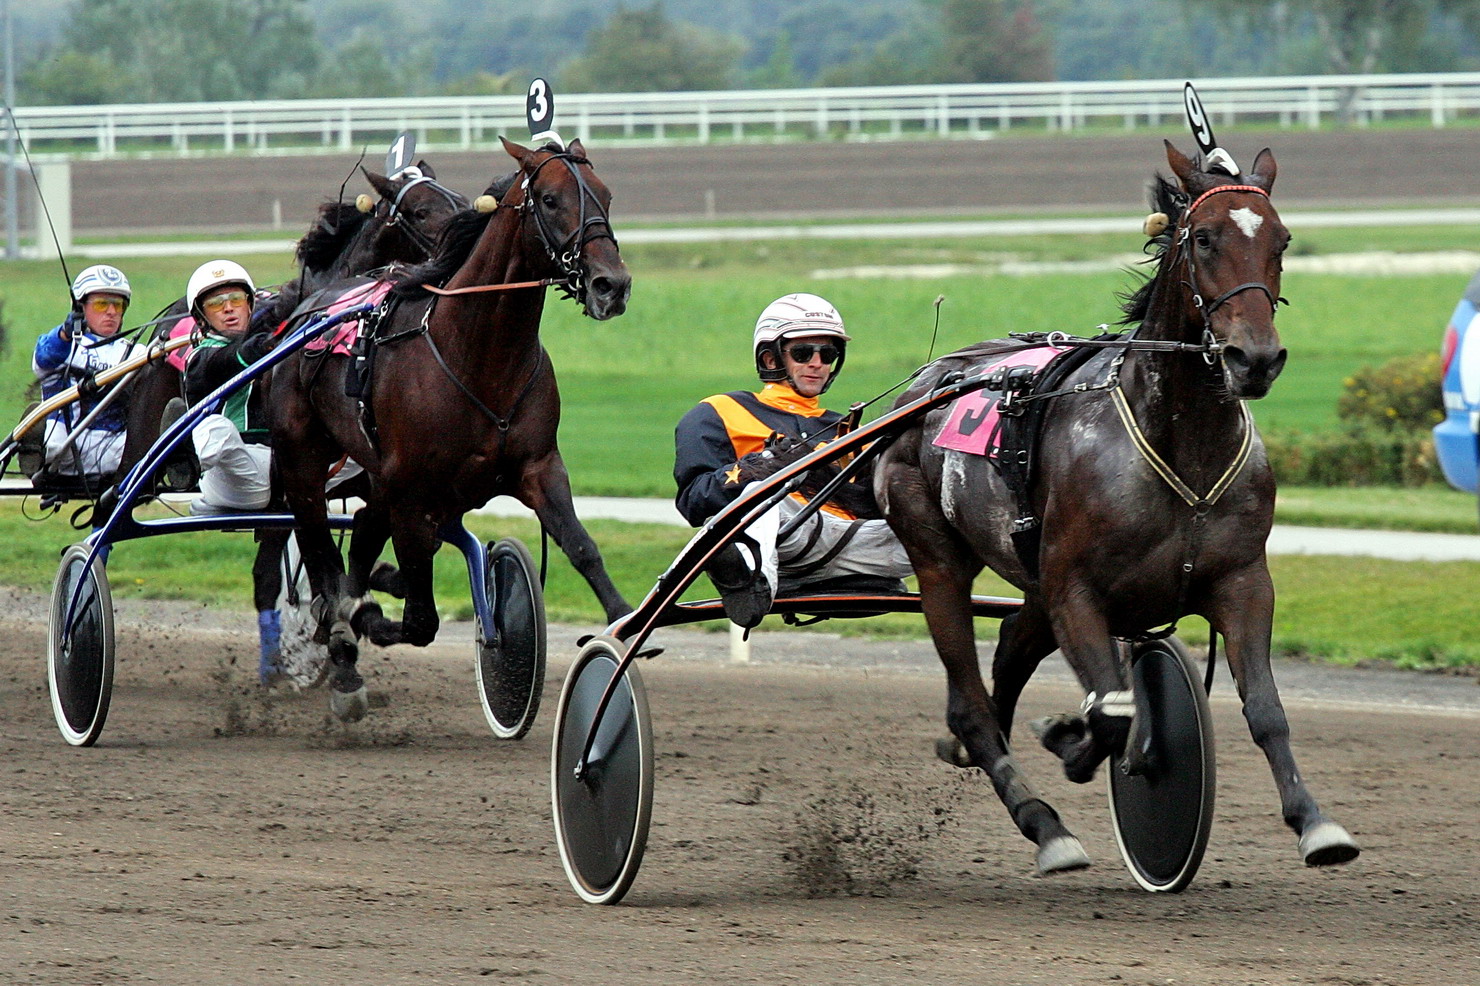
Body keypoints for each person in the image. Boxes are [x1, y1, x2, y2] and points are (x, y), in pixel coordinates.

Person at [673, 292, 914, 628]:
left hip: (863, 549)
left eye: (827, 353)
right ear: (771, 359)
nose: (817, 363)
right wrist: (757, 468)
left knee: (936, 511)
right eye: (803, 353)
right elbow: (693, 502)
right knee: (764, 492)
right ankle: (750, 580)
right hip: (784, 541)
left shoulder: (849, 430)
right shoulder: (719, 412)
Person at [22, 264, 140, 483]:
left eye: (118, 305)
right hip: (63, 450)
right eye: (102, 304)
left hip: (117, 451)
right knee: (55, 446)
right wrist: (65, 334)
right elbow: (43, 359)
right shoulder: (65, 346)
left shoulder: (135, 352)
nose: (111, 312)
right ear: (80, 307)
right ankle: (33, 441)